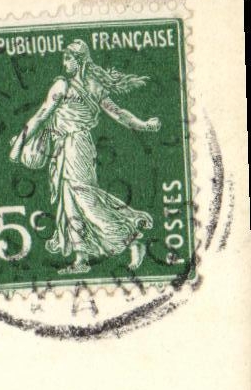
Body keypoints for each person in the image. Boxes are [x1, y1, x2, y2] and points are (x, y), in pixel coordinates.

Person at [9, 40, 161, 276]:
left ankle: (131, 239)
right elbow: (42, 115)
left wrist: (145, 125)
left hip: (76, 146)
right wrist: (21, 142)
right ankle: (81, 258)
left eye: (68, 59)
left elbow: (118, 115)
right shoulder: (74, 85)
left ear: (79, 60)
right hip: (64, 147)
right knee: (69, 202)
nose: (64, 63)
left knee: (85, 200)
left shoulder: (73, 86)